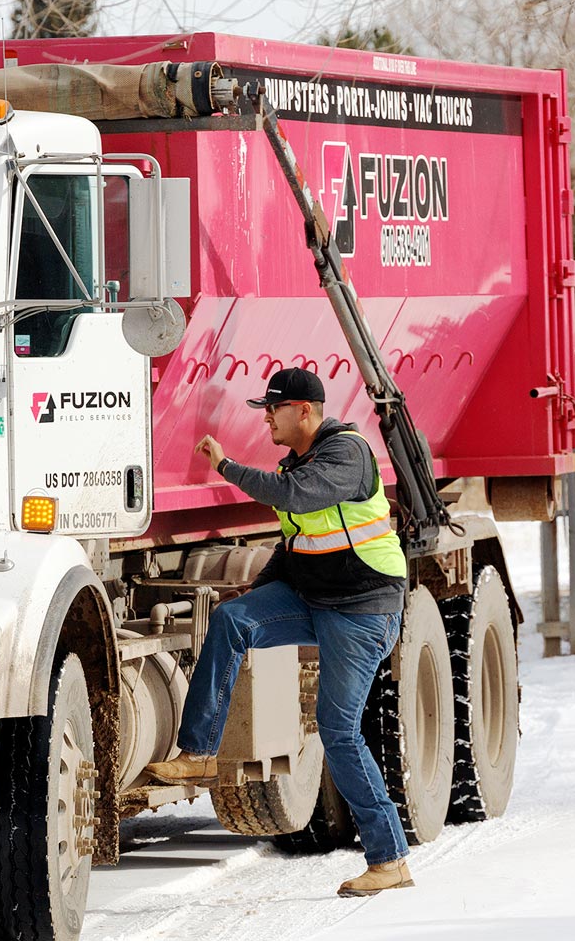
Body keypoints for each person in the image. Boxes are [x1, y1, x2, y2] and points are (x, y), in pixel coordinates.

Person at [145, 366, 414, 897]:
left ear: (305, 411)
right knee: (231, 621)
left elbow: (291, 497)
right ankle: (199, 752)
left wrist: (223, 464)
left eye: (273, 408)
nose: (265, 417)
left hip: (363, 608)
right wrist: (254, 599)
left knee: (337, 731)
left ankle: (390, 859)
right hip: (313, 597)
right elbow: (294, 548)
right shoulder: (301, 460)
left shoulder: (345, 455)